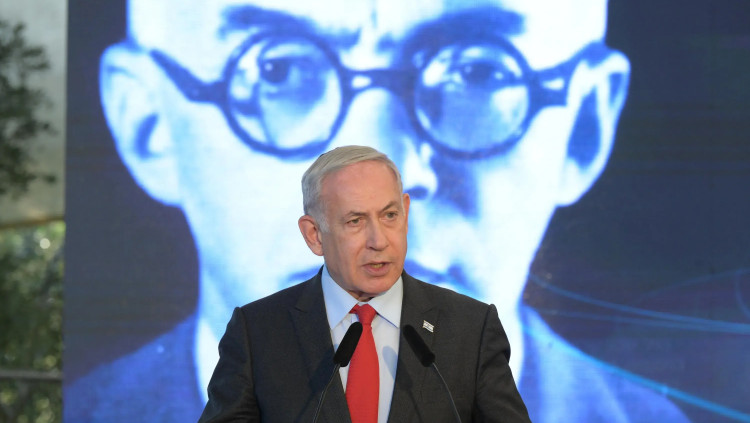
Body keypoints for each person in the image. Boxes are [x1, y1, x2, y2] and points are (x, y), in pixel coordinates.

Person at [65, 0, 691, 422]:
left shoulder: (478, 338)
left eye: (477, 71)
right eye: (277, 70)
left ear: (583, 127)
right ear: (148, 122)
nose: (375, 179)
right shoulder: (247, 342)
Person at [198, 145, 531, 422]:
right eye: (355, 221)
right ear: (314, 235)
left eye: (389, 216)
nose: (379, 241)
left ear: (406, 213)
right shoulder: (258, 332)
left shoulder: (470, 328)